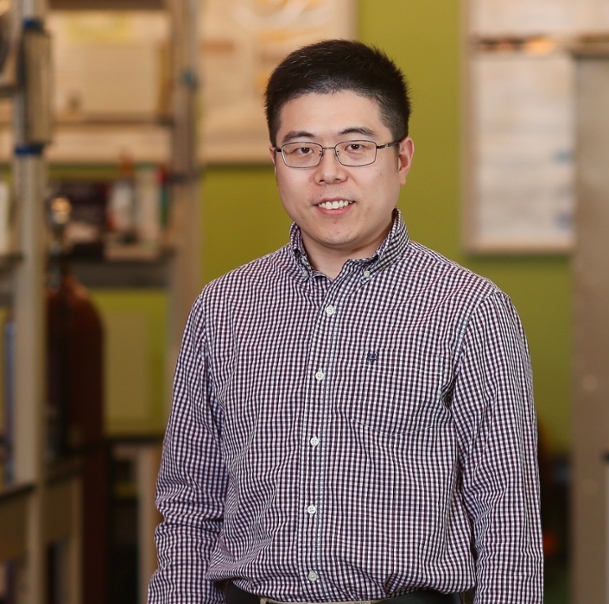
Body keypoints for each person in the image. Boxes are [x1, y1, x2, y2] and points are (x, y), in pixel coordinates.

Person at [148, 39, 543, 604]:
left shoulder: (471, 311)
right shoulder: (222, 309)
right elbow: (190, 509)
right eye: (302, 150)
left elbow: (508, 523)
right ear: (276, 161)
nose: (328, 173)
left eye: (356, 147)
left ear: (401, 158)